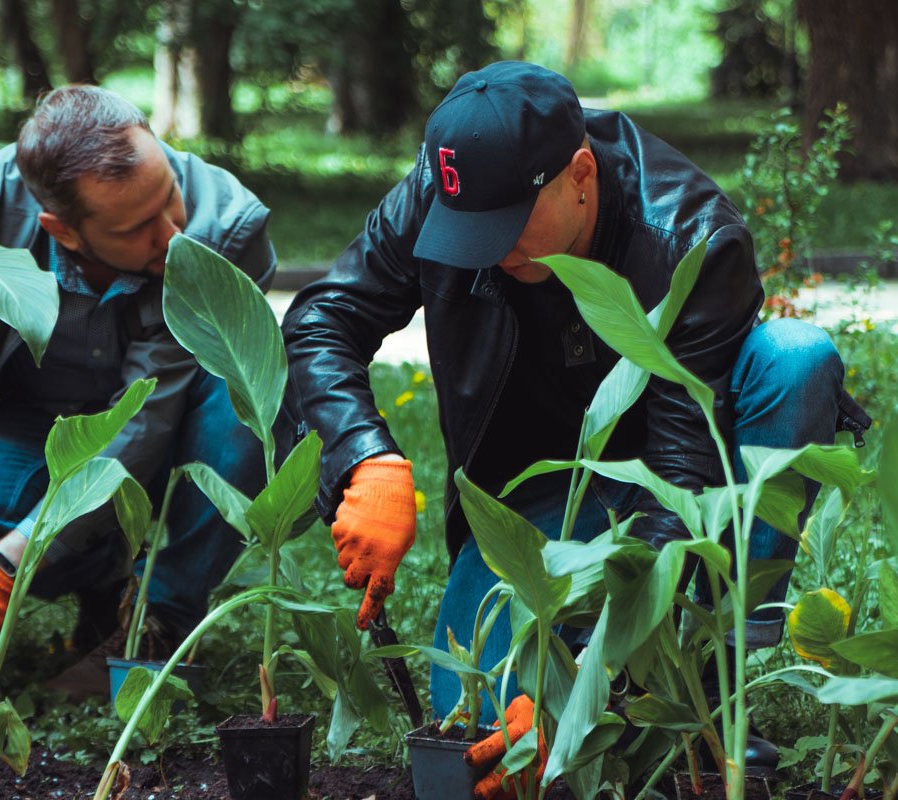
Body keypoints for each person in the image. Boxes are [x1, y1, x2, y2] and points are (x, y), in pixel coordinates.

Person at [281, 61, 867, 793]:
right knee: (481, 722)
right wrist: (365, 456)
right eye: (469, 231)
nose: (488, 250)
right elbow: (323, 319)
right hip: (530, 501)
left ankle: (706, 680)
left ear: (581, 174)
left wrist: (592, 680)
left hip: (667, 487)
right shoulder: (448, 191)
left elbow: (681, 479)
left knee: (795, 358)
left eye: (506, 226)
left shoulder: (690, 238)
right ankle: (635, 701)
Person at [0, 85, 275, 689]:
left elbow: (142, 420)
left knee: (244, 389)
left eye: (168, 196)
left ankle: (159, 620)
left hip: (172, 434)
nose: (172, 233)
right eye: (138, 227)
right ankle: (106, 580)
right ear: (63, 231)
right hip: (20, 433)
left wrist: (2, 569)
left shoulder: (224, 228)